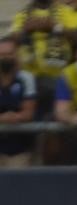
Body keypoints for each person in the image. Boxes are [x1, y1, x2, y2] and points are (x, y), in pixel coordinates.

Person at [0, 35, 38, 167]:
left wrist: (11, 117)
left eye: (9, 54)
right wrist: (4, 118)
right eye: (2, 54)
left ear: (16, 55)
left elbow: (28, 113)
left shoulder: (26, 78)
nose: (5, 58)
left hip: (19, 149)